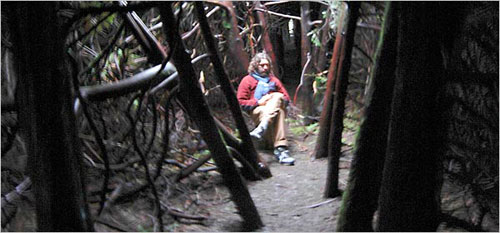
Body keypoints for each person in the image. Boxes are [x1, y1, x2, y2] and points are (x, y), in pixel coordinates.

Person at [237, 52, 295, 165]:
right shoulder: (247, 80)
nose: (265, 67)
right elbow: (241, 102)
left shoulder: (274, 80)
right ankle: (281, 151)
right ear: (255, 65)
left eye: (267, 65)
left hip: (271, 111)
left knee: (278, 98)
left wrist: (273, 98)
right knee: (278, 110)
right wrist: (259, 101)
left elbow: (286, 98)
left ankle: (263, 128)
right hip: (258, 110)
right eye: (261, 65)